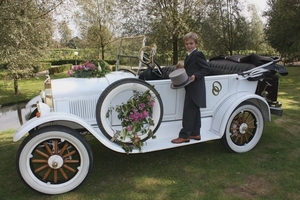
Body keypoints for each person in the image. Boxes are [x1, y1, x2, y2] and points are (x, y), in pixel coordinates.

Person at [171, 32, 210, 144]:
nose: (189, 46)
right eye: (187, 44)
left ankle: (184, 135)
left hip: (195, 87)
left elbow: (206, 69)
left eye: (191, 43)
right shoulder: (189, 55)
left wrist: (195, 76)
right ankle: (195, 133)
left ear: (196, 44)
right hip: (191, 87)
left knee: (188, 112)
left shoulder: (198, 54)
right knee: (195, 111)